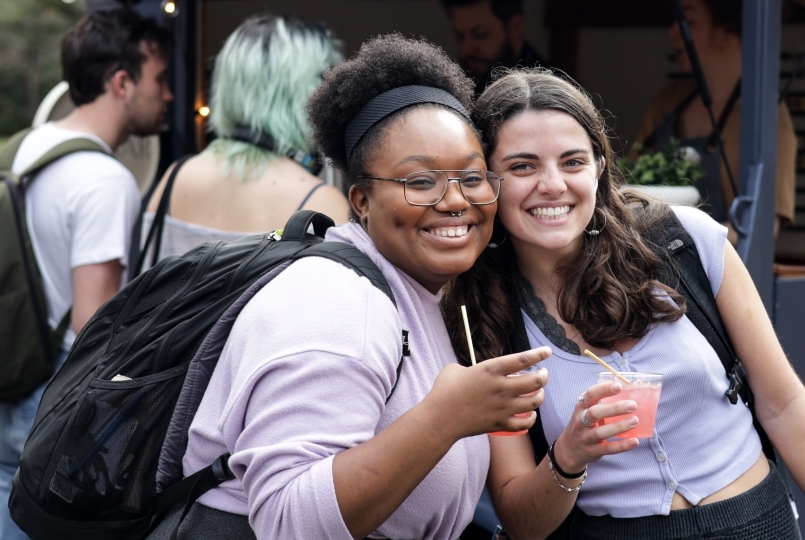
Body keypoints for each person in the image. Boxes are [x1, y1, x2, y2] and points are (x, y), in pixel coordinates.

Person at [146, 35, 550, 540]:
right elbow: (289, 521)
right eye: (420, 181)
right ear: (360, 200)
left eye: (471, 178)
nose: (455, 201)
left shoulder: (418, 289)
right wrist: (446, 416)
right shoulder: (336, 303)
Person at [445, 69, 805, 540]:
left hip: (756, 522)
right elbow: (521, 521)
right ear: (487, 182)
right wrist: (569, 456)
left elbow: (783, 404)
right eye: (523, 166)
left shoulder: (685, 242)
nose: (552, 184)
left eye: (572, 162)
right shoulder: (483, 316)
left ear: (599, 168)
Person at [0, 8, 172, 540]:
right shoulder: (104, 179)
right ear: (122, 83)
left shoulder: (23, 146)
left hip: (10, 368)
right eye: (161, 80)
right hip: (48, 388)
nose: (169, 96)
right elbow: (91, 329)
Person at [141, 14, 349, 268]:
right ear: (301, 91)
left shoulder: (173, 179)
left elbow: (143, 284)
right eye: (324, 80)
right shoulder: (321, 205)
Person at [636, 0, 796, 239]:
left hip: (721, 267)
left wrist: (686, 244)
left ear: (728, 32)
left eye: (689, 21)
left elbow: (762, 225)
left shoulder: (764, 114)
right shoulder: (668, 102)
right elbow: (627, 188)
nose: (673, 30)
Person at [440, 0, 551, 94]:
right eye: (460, 36)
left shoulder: (549, 90)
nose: (466, 49)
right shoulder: (454, 88)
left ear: (515, 27)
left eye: (480, 34)